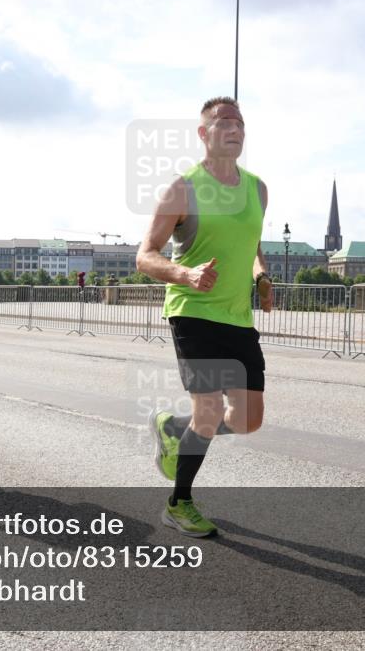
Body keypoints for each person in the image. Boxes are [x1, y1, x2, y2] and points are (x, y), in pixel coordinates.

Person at [136, 96, 273, 538]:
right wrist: (184, 273)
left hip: (238, 318)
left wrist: (263, 276)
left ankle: (175, 428)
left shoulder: (258, 189)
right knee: (210, 411)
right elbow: (145, 256)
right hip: (192, 312)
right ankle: (179, 503)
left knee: (250, 419)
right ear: (203, 134)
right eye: (223, 122)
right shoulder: (183, 188)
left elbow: (250, 244)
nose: (233, 129)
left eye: (239, 123)